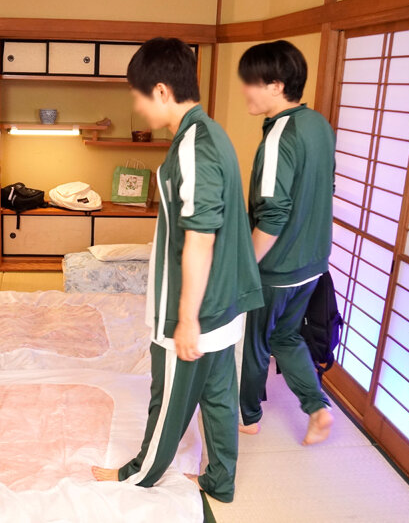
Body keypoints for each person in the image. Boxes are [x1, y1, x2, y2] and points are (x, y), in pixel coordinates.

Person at [91, 37, 264, 503]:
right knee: (218, 396)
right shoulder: (212, 133)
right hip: (225, 301)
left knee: (168, 397)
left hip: (199, 307)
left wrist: (186, 318)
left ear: (162, 91)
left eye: (138, 96)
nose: (137, 106)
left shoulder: (193, 147)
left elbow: (201, 238)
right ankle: (220, 480)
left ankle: (139, 474)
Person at [236, 40, 335, 445]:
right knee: (285, 336)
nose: (245, 89)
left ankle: (248, 417)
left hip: (277, 267)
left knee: (255, 343)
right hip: (312, 262)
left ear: (275, 85)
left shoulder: (280, 135)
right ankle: (317, 407)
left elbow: (273, 214)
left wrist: (245, 269)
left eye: (250, 82)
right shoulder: (318, 124)